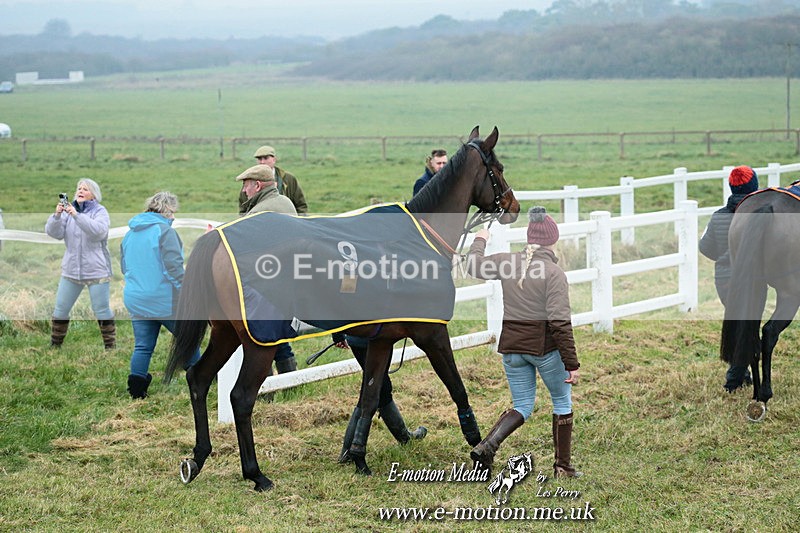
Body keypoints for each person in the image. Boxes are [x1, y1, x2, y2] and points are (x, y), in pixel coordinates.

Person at [465, 206, 582, 478]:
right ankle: (562, 467)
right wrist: (572, 363)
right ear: (553, 240)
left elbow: (472, 266)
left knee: (522, 406)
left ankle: (487, 446)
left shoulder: (508, 262)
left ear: (529, 238)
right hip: (544, 350)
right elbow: (559, 323)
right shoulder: (554, 273)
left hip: (512, 349)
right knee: (562, 402)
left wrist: (480, 238)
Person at [120, 192, 201, 399]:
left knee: (143, 346)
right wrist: (188, 293)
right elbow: (173, 269)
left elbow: (123, 267)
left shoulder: (130, 233)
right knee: (188, 339)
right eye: (172, 212)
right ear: (165, 210)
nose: (173, 217)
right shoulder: (165, 232)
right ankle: (201, 380)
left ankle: (137, 392)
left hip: (136, 299)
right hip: (164, 301)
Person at [235, 165, 299, 380]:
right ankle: (290, 381)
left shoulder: (258, 212)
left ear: (258, 185)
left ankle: (265, 388)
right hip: (289, 281)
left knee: (262, 337)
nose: (244, 191)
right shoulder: (285, 202)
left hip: (267, 283)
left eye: (246, 185)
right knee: (279, 338)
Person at [699, 165, 758, 392]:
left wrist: (723, 257)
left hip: (723, 279)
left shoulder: (718, 216)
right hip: (751, 278)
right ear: (754, 187)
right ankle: (735, 376)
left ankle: (741, 372)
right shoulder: (758, 214)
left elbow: (706, 248)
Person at [332, 333, 427, 463]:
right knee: (375, 389)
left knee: (381, 388)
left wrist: (337, 334)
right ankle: (349, 451)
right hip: (377, 338)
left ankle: (404, 437)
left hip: (359, 337)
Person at [45, 178, 115, 349]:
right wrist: (57, 215)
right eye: (79, 188)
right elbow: (54, 233)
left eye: (85, 189)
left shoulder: (100, 211)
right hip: (71, 270)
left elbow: (98, 232)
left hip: (97, 270)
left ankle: (110, 347)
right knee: (61, 308)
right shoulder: (68, 212)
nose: (81, 191)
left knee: (101, 309)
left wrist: (76, 216)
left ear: (93, 195)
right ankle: (55, 345)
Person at [252, 145, 308, 214]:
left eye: (266, 158)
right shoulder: (251, 180)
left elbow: (301, 206)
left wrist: (299, 221)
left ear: (274, 159)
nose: (262, 162)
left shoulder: (289, 179)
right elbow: (244, 208)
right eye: (259, 159)